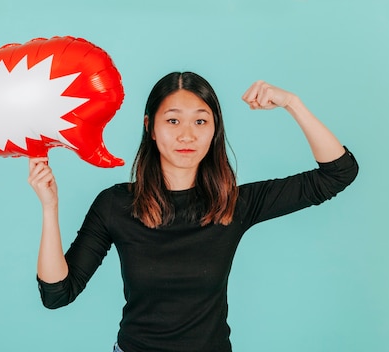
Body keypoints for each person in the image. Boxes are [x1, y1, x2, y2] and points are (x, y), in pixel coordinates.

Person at [28, 72, 359, 352]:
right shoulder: (115, 205)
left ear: (214, 130)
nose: (187, 135)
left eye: (200, 121)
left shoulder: (234, 204)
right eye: (173, 120)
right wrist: (49, 208)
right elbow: (58, 293)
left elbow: (338, 173)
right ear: (150, 126)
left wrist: (292, 103)